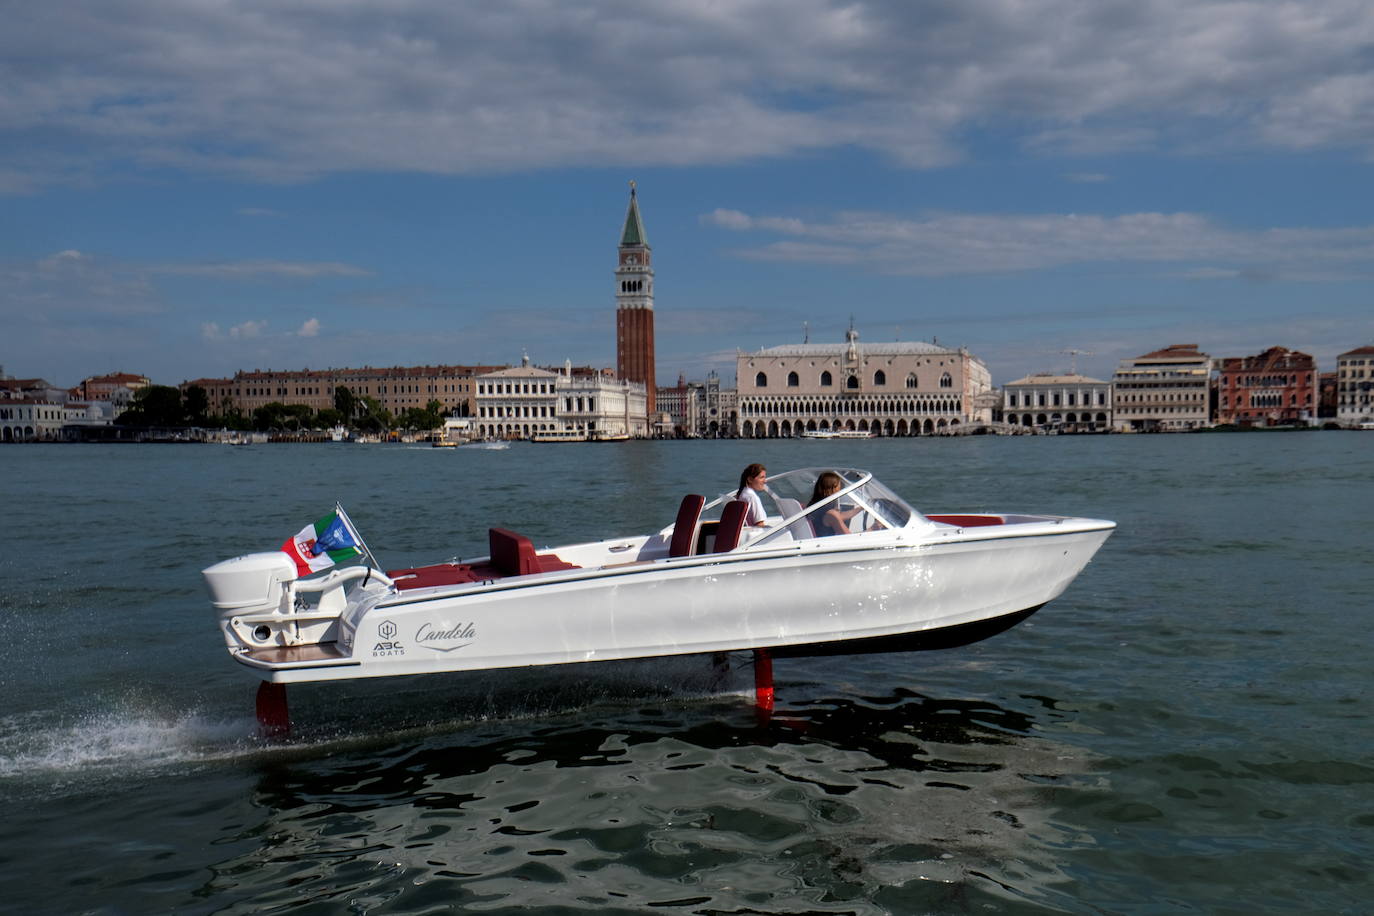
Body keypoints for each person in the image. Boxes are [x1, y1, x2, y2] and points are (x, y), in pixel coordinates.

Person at [807, 470, 862, 536]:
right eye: (839, 486)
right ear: (832, 488)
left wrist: (861, 508)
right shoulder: (831, 514)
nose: (840, 489)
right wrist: (873, 528)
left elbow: (838, 516)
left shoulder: (815, 505)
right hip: (827, 544)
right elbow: (850, 537)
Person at [734, 463, 770, 527]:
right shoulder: (752, 498)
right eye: (761, 477)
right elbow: (759, 525)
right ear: (750, 479)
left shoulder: (741, 494)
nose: (765, 481)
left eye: (765, 477)